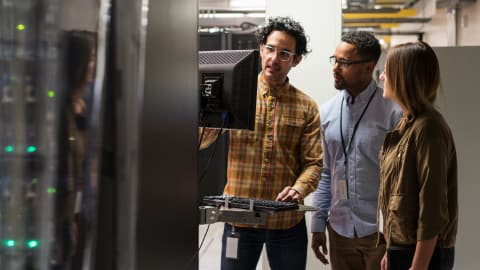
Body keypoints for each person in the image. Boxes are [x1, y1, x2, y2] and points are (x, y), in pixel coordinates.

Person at [199, 16, 322, 270]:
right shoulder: (235, 93)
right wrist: (208, 107)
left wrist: (299, 189)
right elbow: (201, 142)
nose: (274, 58)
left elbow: (314, 163)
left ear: (296, 60)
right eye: (270, 49)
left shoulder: (306, 106)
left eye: (285, 53)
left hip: (286, 222)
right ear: (260, 49)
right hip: (239, 218)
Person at [310, 31, 402, 270]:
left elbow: (400, 180)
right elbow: (326, 172)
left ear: (368, 67)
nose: (335, 68)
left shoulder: (393, 113)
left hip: (380, 234)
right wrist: (318, 224)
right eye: (335, 60)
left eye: (344, 63)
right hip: (339, 231)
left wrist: (394, 235)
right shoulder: (328, 112)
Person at [378, 41, 457, 270]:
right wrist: (390, 250)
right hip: (404, 250)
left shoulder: (428, 128)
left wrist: (418, 266)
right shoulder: (408, 124)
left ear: (403, 77)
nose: (382, 77)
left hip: (422, 255)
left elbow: (432, 208)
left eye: (387, 71)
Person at [54, 29, 96, 270]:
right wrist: (62, 225)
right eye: (89, 60)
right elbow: (61, 176)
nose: (92, 66)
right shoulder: (60, 112)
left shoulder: (81, 106)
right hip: (61, 220)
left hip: (74, 215)